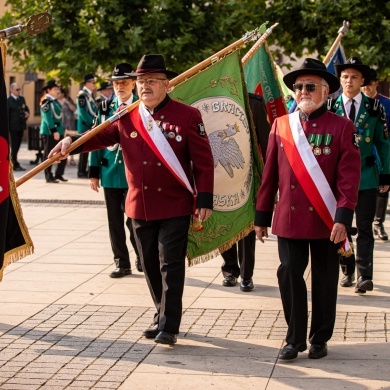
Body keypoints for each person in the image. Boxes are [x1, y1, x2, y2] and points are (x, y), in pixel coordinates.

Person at [49, 54, 214, 346]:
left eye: (151, 80)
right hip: (139, 205)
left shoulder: (187, 115)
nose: (144, 86)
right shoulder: (127, 116)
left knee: (170, 263)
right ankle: (160, 312)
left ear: (167, 84)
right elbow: (98, 136)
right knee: (149, 263)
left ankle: (169, 324)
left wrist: (205, 199)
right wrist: (70, 142)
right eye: (140, 81)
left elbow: (203, 162)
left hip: (175, 204)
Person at [254, 58, 361, 360]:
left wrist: (342, 218)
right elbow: (270, 175)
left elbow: (348, 180)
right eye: (298, 87)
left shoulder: (342, 127)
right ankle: (294, 337)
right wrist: (261, 216)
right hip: (289, 218)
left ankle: (319, 337)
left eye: (310, 86)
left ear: (326, 91)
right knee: (288, 273)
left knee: (325, 280)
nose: (302, 91)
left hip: (327, 220)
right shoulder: (281, 125)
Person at [331, 57, 390, 293]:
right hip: (337, 180)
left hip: (365, 177)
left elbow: (383, 143)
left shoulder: (374, 108)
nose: (349, 81)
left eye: (354, 77)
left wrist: (386, 175)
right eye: (345, 77)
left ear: (362, 80)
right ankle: (347, 269)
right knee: (341, 226)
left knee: (365, 226)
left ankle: (364, 275)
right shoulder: (329, 107)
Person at [89, 63, 142, 277]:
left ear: (133, 84)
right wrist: (93, 173)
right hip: (110, 172)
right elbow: (94, 140)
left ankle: (142, 257)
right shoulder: (104, 108)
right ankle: (122, 262)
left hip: (134, 175)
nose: (120, 86)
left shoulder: (141, 106)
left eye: (125, 82)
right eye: (117, 83)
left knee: (135, 221)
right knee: (114, 222)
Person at [221, 93, 271, 292]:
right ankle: (230, 270)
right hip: (222, 174)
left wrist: (269, 176)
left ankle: (247, 274)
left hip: (248, 174)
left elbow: (266, 143)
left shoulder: (254, 103)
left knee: (247, 224)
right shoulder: (214, 100)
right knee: (224, 222)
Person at [361, 68, 390, 241]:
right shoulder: (357, 104)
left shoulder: (386, 104)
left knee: (383, 187)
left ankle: (378, 223)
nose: (366, 88)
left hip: (381, 151)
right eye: (364, 85)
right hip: (362, 153)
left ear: (376, 84)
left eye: (370, 84)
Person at [40, 80, 67, 183]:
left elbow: (59, 117)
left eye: (57, 89)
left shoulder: (54, 101)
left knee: (63, 152)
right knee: (48, 154)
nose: (57, 91)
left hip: (58, 130)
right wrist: (54, 131)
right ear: (48, 90)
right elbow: (47, 118)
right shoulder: (46, 101)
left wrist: (61, 130)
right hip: (49, 131)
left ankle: (58, 174)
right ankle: (48, 176)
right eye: (55, 89)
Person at [77, 73, 97, 178]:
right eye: (93, 82)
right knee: (83, 150)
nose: (94, 84)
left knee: (87, 149)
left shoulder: (89, 95)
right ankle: (81, 171)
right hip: (85, 125)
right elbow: (83, 113)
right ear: (87, 83)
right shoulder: (82, 95)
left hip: (89, 125)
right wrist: (93, 123)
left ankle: (84, 170)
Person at [7, 82, 29, 171]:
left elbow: (26, 108)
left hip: (21, 125)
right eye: (17, 89)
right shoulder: (8, 101)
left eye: (19, 89)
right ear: (11, 90)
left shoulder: (21, 99)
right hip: (13, 126)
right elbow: (7, 115)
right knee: (14, 145)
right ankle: (14, 163)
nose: (19, 91)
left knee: (18, 145)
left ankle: (14, 162)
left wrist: (27, 113)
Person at [58, 87, 77, 169]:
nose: (57, 94)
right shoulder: (55, 101)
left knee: (69, 140)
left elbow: (74, 109)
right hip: (60, 123)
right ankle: (61, 156)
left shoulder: (68, 99)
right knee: (61, 141)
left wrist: (68, 103)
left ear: (63, 94)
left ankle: (71, 158)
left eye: (59, 93)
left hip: (69, 123)